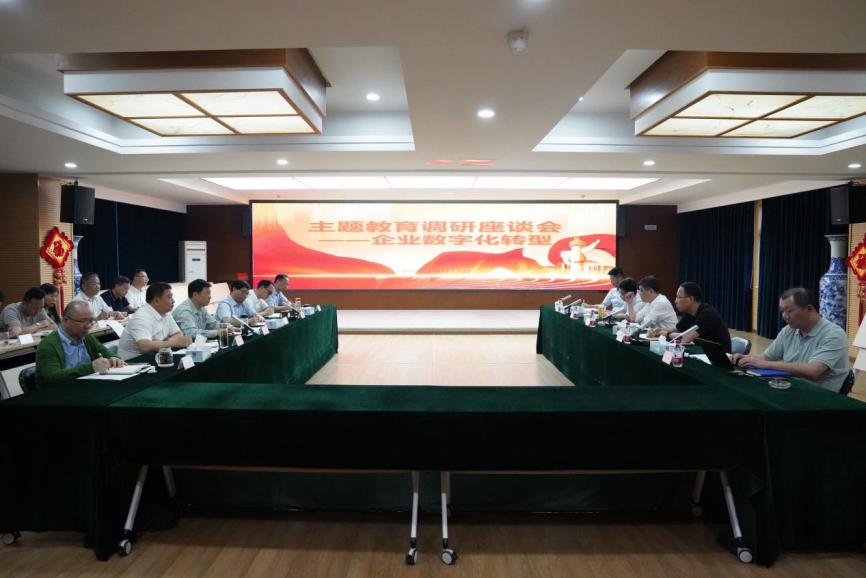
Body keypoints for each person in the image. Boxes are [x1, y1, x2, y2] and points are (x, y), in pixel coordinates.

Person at [733, 287, 849, 392]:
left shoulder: (833, 334)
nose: (784, 316)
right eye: (782, 311)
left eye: (789, 311)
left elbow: (813, 371)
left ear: (809, 309)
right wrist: (745, 359)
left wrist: (764, 364)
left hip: (820, 395)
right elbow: (766, 357)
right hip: (791, 388)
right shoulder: (789, 330)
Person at [35, 301, 125, 387]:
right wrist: (91, 367)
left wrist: (114, 359)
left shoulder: (87, 337)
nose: (88, 326)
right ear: (65, 320)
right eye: (82, 321)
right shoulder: (48, 345)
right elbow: (52, 378)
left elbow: (107, 353)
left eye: (91, 321)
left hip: (87, 387)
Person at [648, 282, 732, 352]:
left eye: (679, 297)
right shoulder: (690, 312)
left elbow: (684, 338)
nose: (675, 301)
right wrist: (658, 330)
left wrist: (666, 333)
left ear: (691, 299)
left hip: (719, 357)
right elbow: (676, 329)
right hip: (703, 352)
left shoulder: (707, 314)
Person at [117, 282, 192, 360]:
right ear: (156, 301)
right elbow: (144, 347)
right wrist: (173, 343)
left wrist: (166, 342)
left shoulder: (165, 312)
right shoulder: (142, 317)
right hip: (132, 362)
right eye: (169, 297)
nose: (173, 301)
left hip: (156, 357)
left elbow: (178, 333)